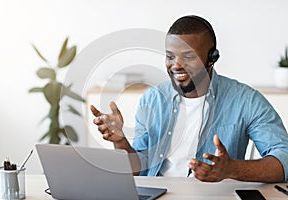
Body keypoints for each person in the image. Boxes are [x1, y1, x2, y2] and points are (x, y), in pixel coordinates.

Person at [90, 15, 288, 183]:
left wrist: (232, 169)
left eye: (188, 56)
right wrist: (121, 142)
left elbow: (284, 159)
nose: (176, 65)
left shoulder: (246, 100)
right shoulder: (153, 99)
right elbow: (140, 171)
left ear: (212, 57)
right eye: (170, 56)